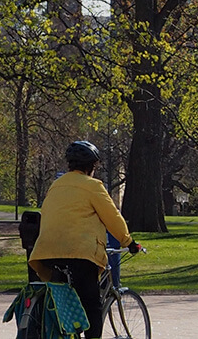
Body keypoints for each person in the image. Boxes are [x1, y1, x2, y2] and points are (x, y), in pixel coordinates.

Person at [27, 141, 139, 339]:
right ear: (91, 167)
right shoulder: (93, 185)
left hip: (47, 253)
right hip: (80, 254)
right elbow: (112, 217)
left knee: (63, 301)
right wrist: (128, 242)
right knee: (91, 305)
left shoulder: (55, 186)